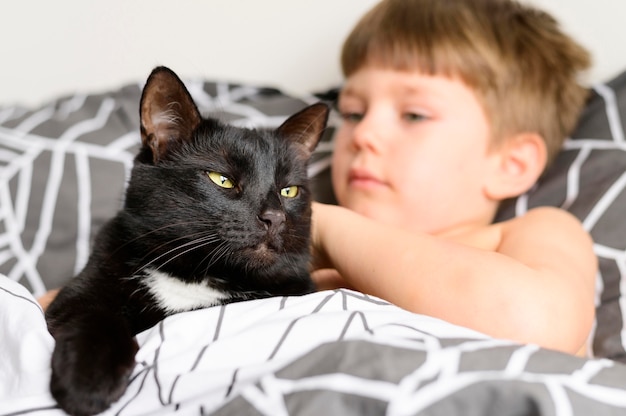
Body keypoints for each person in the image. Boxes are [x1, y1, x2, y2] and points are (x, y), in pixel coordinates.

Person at [309, 0, 596, 356]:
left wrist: (324, 226)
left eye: (414, 115)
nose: (363, 134)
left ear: (511, 164)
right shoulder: (306, 262)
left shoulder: (534, 234)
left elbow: (536, 323)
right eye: (352, 113)